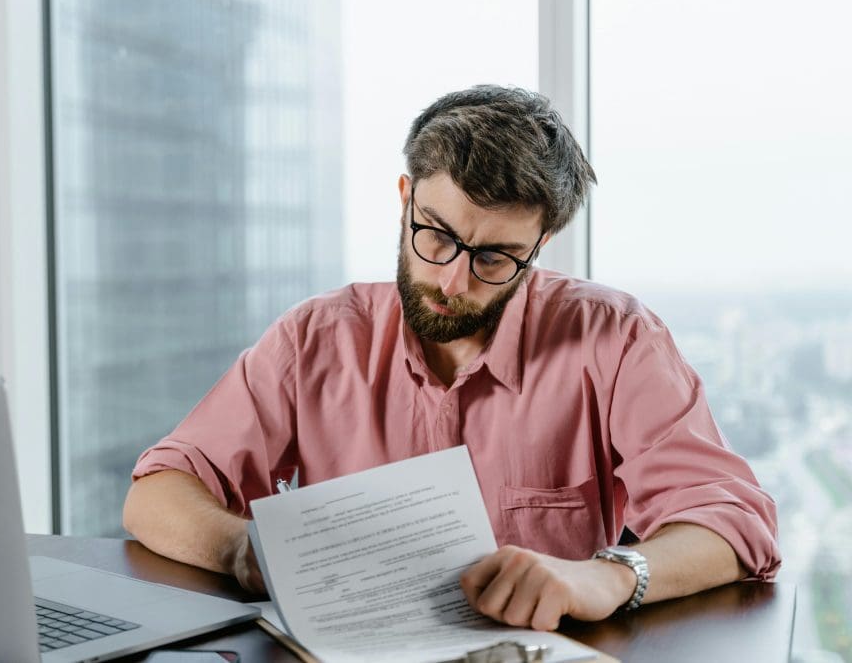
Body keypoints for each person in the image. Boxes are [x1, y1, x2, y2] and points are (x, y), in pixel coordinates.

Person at [123, 85, 780, 631]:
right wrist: (243, 548)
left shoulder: (615, 339)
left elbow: (733, 517)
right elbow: (157, 490)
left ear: (541, 243)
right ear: (406, 198)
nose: (454, 282)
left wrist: (607, 576)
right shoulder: (316, 339)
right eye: (436, 235)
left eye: (494, 257)